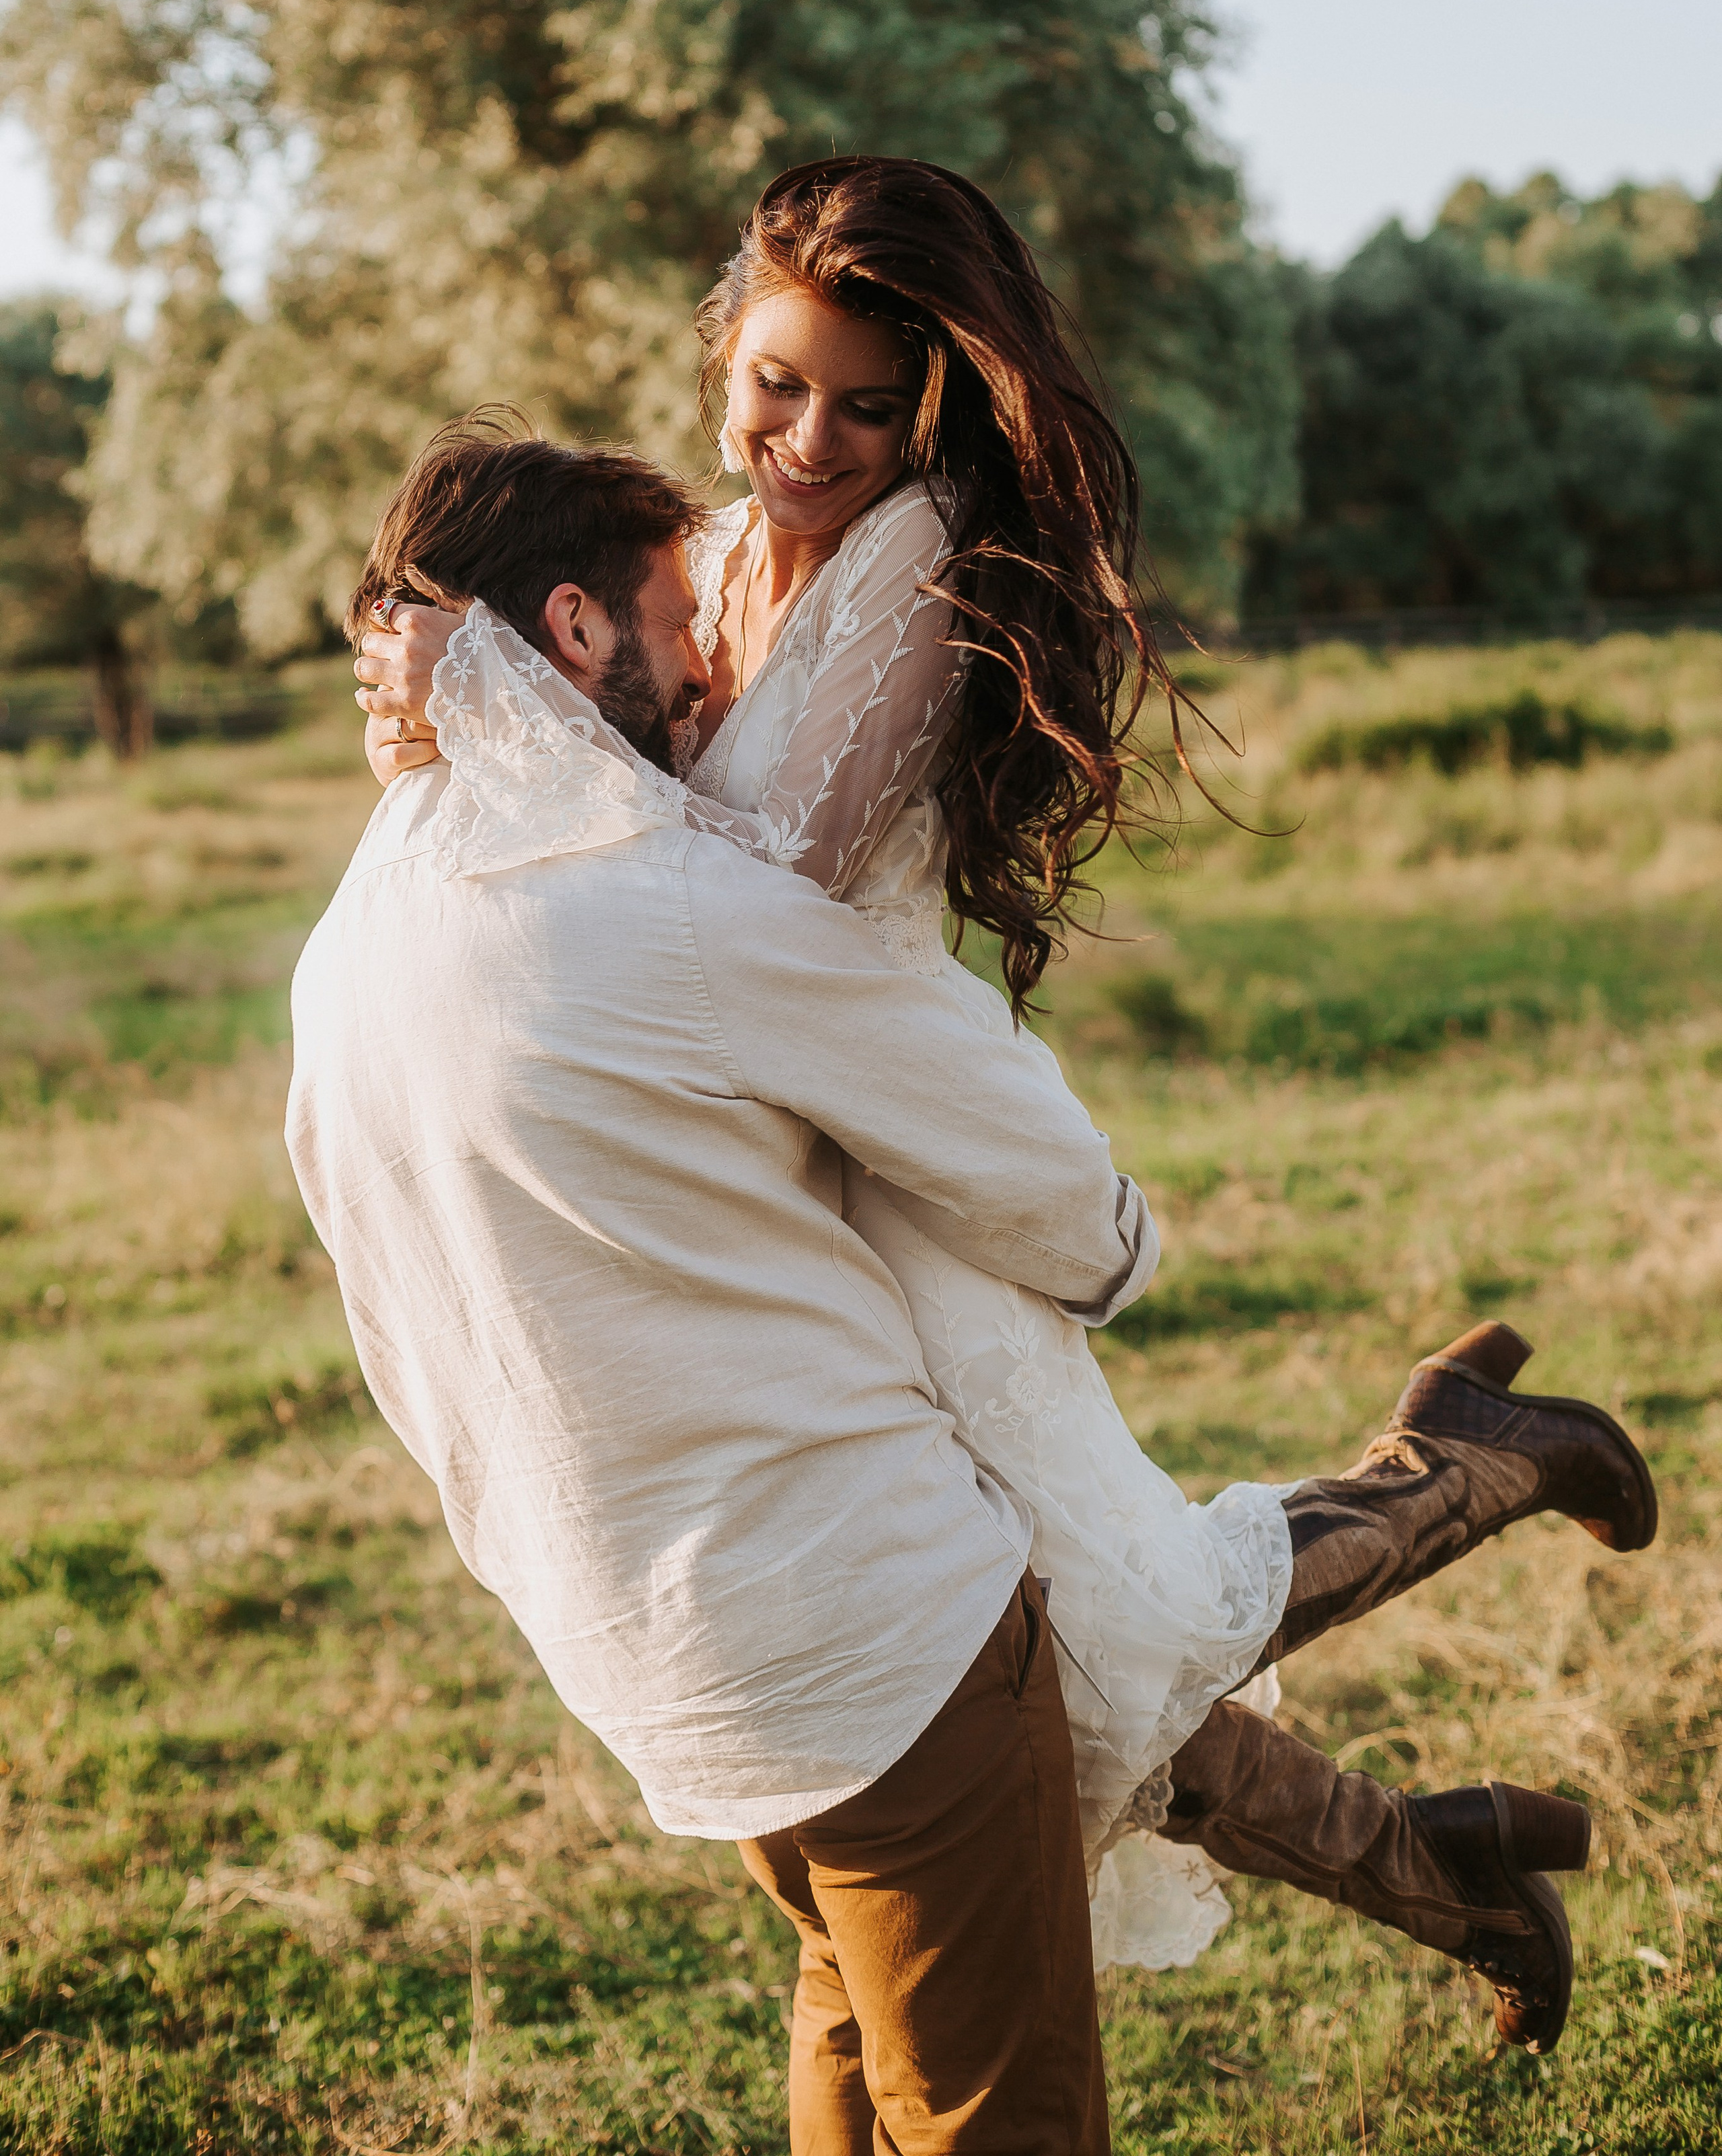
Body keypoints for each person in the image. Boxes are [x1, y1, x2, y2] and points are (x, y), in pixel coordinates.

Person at [305, 431, 1658, 2152]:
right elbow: (1033, 1171)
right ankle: (1470, 1545)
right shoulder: (664, 905)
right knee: (989, 2102)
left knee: (856, 2023)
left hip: (648, 1661)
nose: (712, 658)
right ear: (569, 633)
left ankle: (1457, 1784)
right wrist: (1115, 1252)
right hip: (862, 1628)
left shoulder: (345, 952)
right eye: (669, 620)